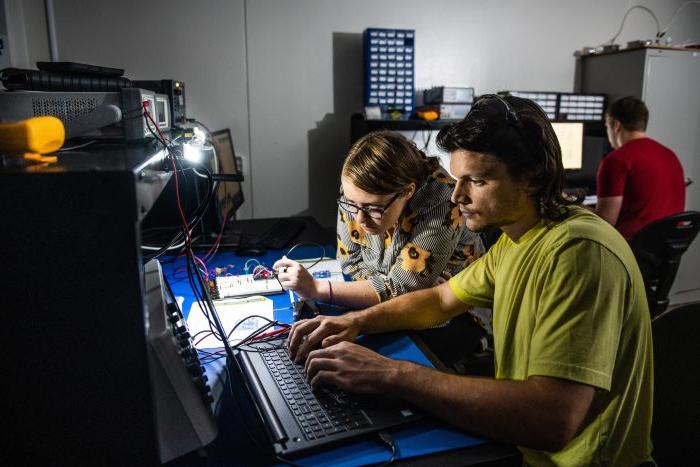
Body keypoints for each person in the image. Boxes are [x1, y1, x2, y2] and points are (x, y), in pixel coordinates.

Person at [287, 95, 654, 466]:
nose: (458, 195)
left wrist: (392, 374)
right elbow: (440, 299)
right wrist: (352, 322)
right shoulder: (518, 239)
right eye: (458, 178)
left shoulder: (578, 252)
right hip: (526, 449)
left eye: (476, 180)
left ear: (530, 177)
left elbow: (553, 420)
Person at [274, 131, 484, 311]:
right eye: (351, 204)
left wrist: (317, 289)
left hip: (454, 310)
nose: (358, 218)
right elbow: (350, 261)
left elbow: (402, 291)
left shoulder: (444, 203)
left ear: (407, 191)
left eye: (373, 209)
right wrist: (390, 284)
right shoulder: (357, 193)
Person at [596, 96, 685, 240]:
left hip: (628, 251)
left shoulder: (616, 160)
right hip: (665, 250)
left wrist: (574, 206)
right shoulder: (670, 155)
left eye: (607, 126)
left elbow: (605, 222)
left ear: (616, 125)